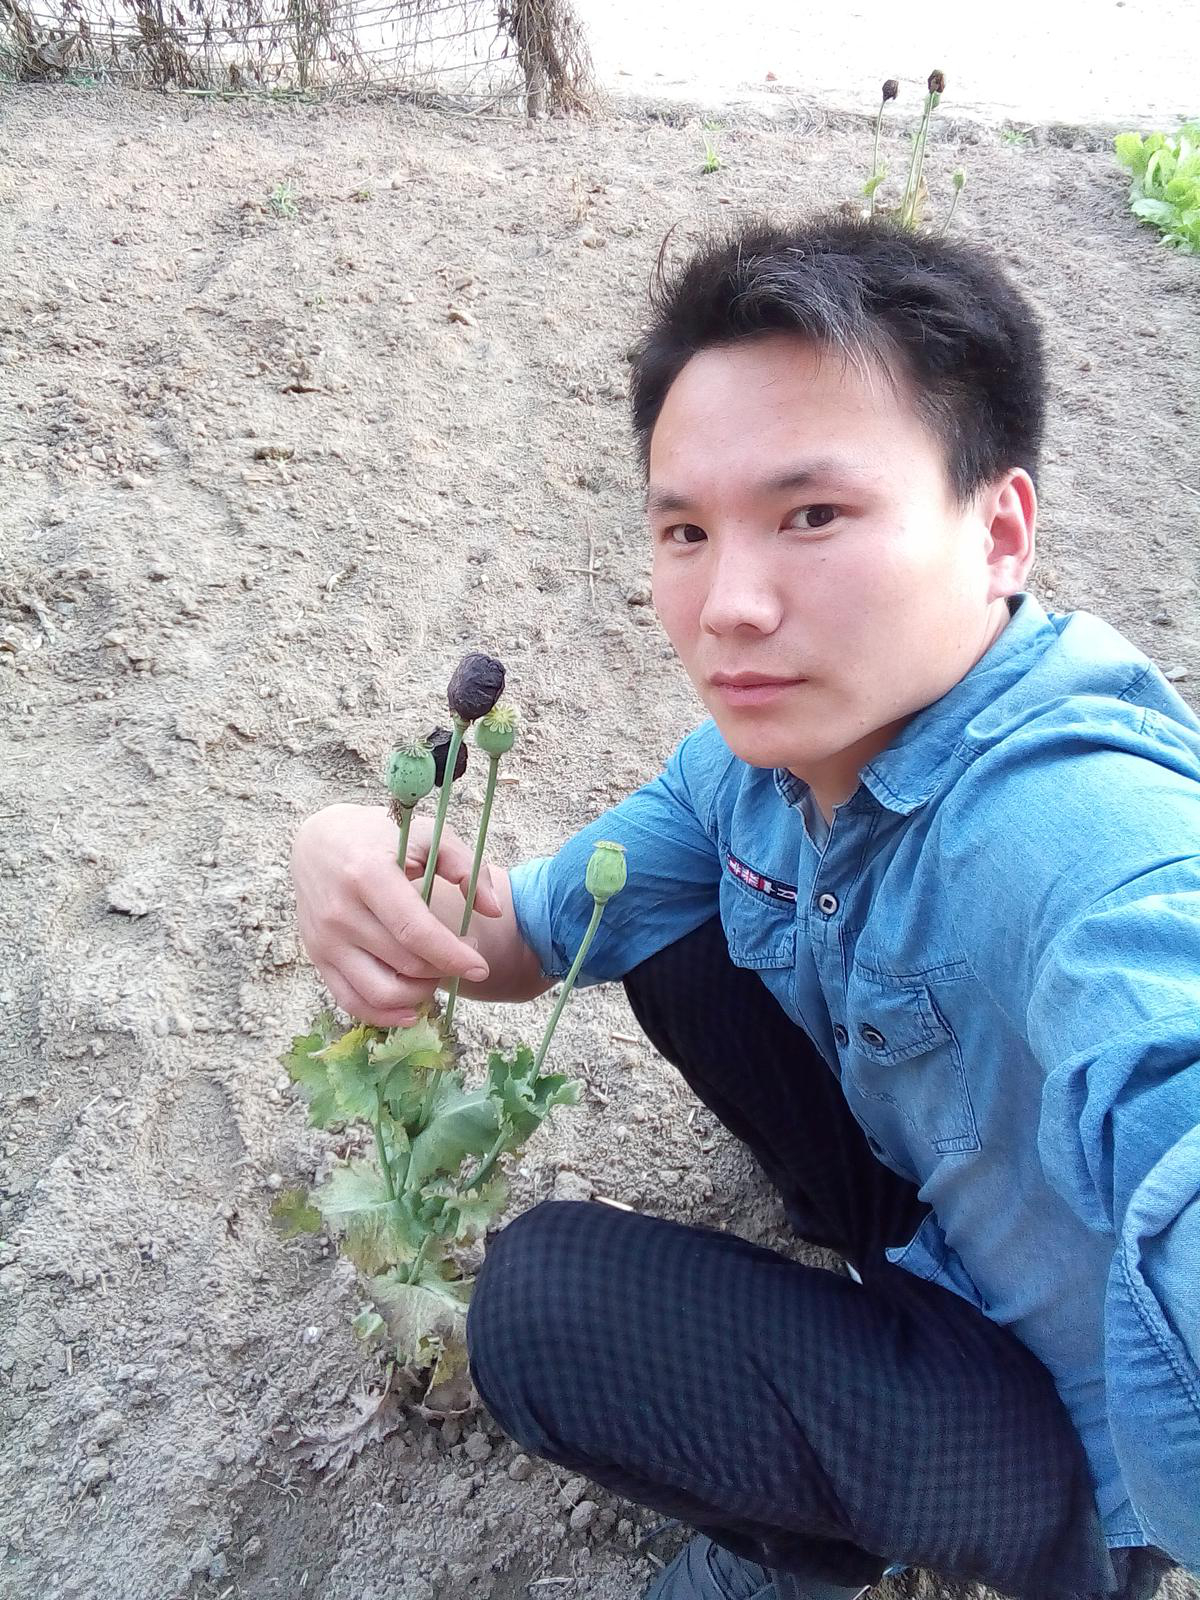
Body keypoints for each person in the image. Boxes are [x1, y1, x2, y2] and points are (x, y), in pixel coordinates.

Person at [290, 216, 1199, 1600]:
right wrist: (356, 844)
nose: (731, 605)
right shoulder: (752, 769)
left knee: (547, 1309)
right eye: (686, 531)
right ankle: (860, 1316)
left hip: (1076, 1439)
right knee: (667, 930)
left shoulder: (1082, 830)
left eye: (812, 515)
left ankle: (932, 1548)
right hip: (936, 1208)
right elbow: (521, 940)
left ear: (1000, 530)